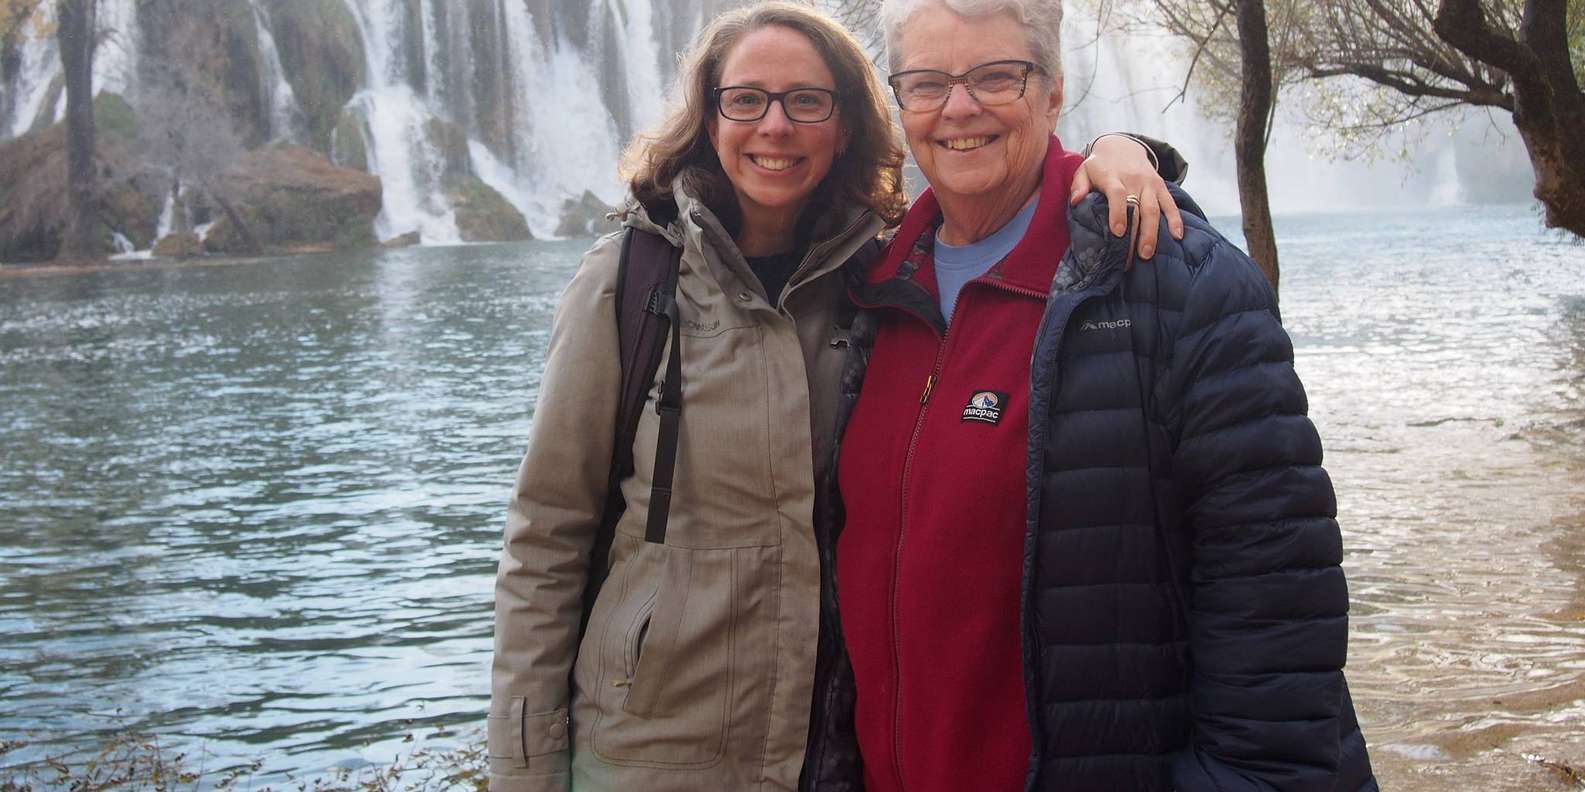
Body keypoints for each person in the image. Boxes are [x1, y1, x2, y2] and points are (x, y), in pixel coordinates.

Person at [486, 3, 1179, 791]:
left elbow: (1007, 176)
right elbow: (546, 540)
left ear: (846, 123)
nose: (774, 126)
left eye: (806, 101)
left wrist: (1123, 151)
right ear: (709, 118)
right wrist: (525, 771)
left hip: (835, 751)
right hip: (649, 755)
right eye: (745, 99)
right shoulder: (628, 282)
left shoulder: (881, 280)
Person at [826, 1, 1379, 791]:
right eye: (926, 83)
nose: (958, 107)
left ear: (1053, 93)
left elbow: (1275, 598)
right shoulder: (863, 296)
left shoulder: (1174, 279)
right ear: (898, 101)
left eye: (996, 77)